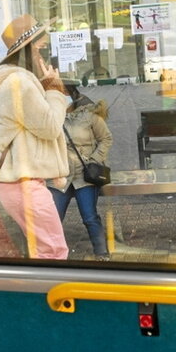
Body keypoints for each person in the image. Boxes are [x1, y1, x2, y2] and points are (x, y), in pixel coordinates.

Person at [0, 14, 70, 260]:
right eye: (41, 48)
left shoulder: (9, 80)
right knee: (54, 252)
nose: (43, 56)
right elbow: (50, 126)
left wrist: (45, 86)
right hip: (26, 185)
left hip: (16, 184)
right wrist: (55, 88)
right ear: (29, 49)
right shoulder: (18, 83)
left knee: (42, 251)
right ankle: (51, 297)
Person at [49, 81, 113, 260]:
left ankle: (101, 254)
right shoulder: (50, 117)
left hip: (84, 176)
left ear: (72, 94)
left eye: (63, 93)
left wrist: (93, 160)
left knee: (90, 217)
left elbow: (106, 139)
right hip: (59, 176)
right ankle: (52, 256)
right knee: (53, 219)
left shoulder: (90, 115)